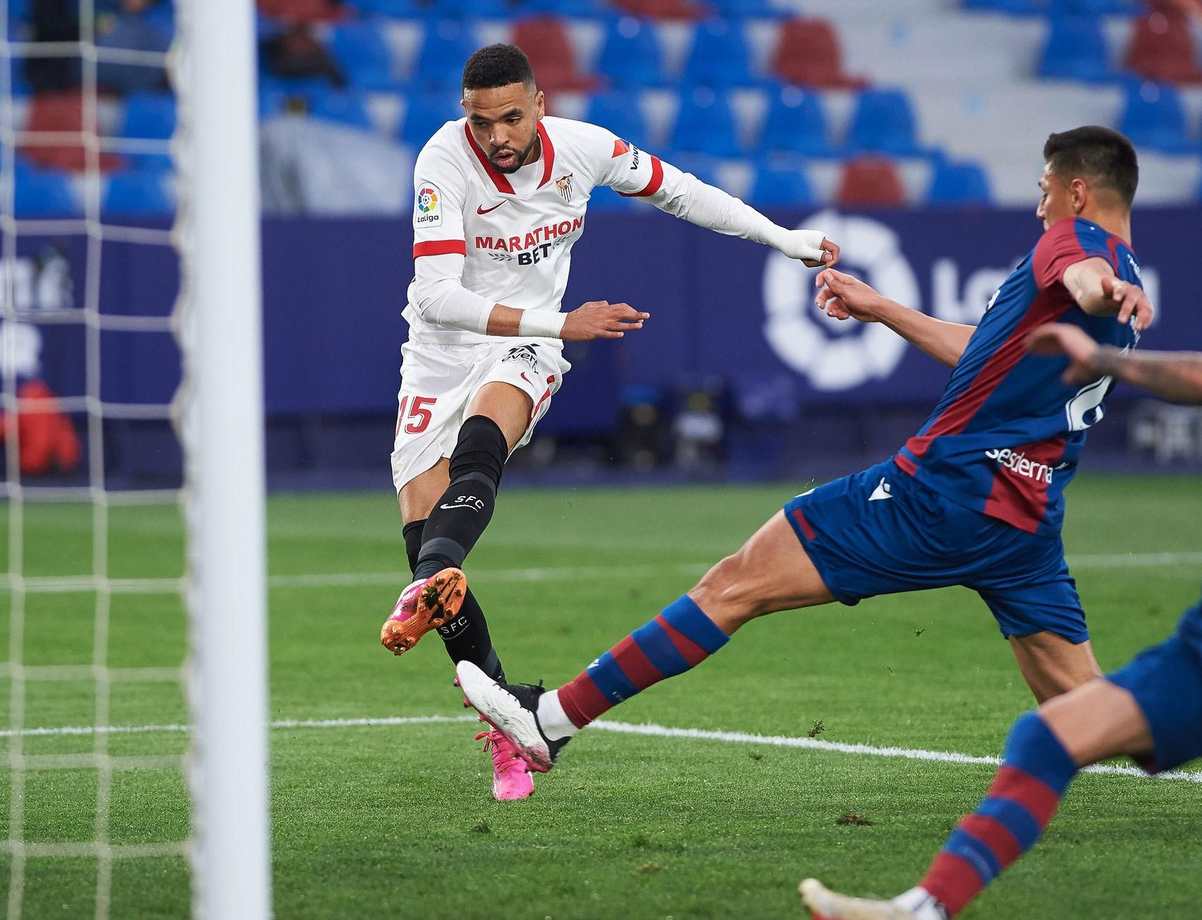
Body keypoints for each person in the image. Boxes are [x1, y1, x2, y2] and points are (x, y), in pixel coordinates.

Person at [458, 126, 1154, 782]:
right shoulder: (1123, 285)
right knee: (1095, 711)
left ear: (1078, 194)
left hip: (944, 492)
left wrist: (1099, 285)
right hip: (1023, 519)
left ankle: (551, 719)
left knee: (735, 584)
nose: (1039, 208)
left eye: (1044, 190)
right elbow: (991, 350)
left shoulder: (1078, 250)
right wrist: (882, 308)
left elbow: (1080, 270)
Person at [388, 43, 839, 800]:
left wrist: (782, 238)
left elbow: (683, 191)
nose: (496, 135)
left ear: (538, 102)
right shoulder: (443, 160)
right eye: (480, 119)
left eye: (509, 117)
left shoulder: (585, 148)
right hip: (441, 350)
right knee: (422, 540)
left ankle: (430, 589)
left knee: (481, 447)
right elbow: (436, 297)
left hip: (529, 344)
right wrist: (564, 318)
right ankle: (506, 718)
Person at [799, 315, 1202, 920]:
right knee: (1050, 734)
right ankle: (924, 909)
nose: (1039, 210)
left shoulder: (1084, 256)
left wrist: (1100, 359)